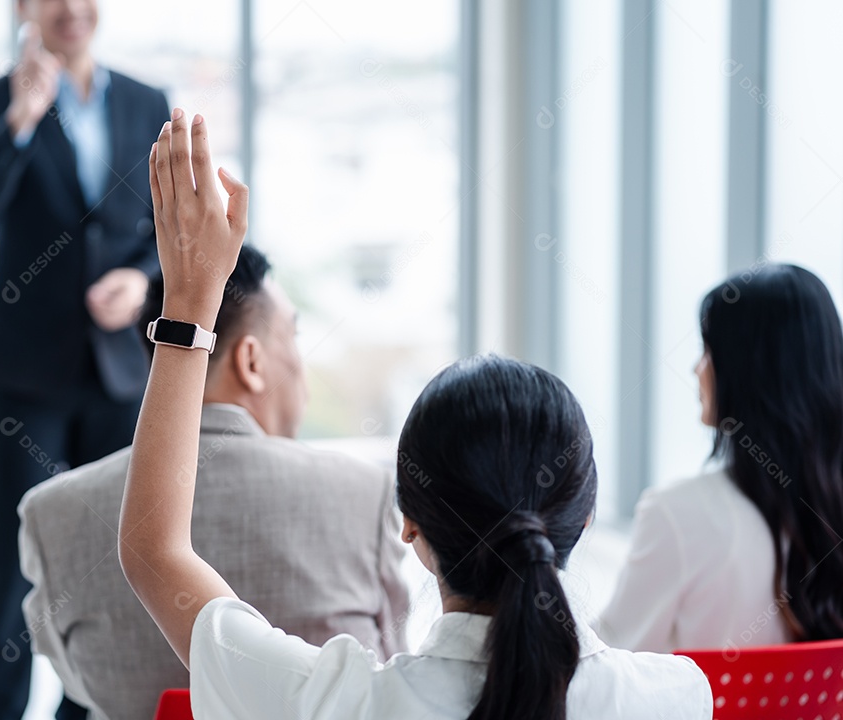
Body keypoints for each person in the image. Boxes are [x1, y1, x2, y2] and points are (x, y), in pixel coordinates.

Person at [117, 109, 711, 719]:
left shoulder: (336, 703)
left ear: (410, 526)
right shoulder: (675, 697)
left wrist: (191, 297)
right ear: (584, 516)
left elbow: (153, 550)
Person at [17, 243, 410, 720]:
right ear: (251, 361)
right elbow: (389, 674)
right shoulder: (362, 493)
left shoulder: (52, 513)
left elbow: (77, 685)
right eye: (294, 336)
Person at [0, 0, 169, 716]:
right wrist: (21, 116)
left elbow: (165, 220)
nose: (72, 9)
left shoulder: (145, 100)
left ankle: (87, 708)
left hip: (119, 371)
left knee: (114, 556)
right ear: (24, 8)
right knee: (11, 564)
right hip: (27, 370)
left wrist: (141, 280)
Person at [597, 264, 843, 653]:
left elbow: (609, 659)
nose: (696, 368)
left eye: (708, 351)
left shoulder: (676, 514)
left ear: (748, 371)